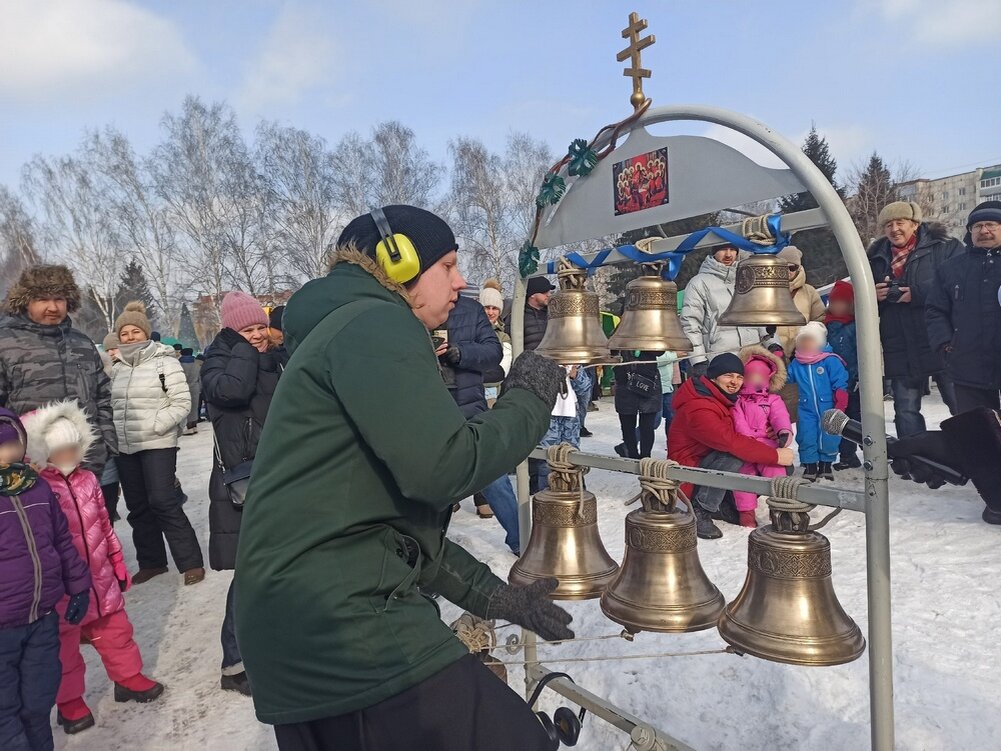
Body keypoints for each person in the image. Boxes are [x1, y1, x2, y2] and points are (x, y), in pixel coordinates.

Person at [234, 205, 573, 751]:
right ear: (398, 263)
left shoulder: (343, 330)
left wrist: (496, 599)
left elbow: (392, 530)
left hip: (303, 624)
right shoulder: (375, 323)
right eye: (448, 264)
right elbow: (446, 466)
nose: (460, 282)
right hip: (342, 627)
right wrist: (530, 399)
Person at [21, 402, 163, 735]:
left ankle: (127, 678)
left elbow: (103, 523)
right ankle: (69, 702)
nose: (69, 454)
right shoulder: (39, 488)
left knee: (116, 630)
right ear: (44, 453)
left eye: (73, 447)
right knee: (63, 646)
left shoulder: (88, 481)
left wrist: (116, 562)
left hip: (99, 577)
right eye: (60, 450)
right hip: (62, 586)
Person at [202, 291, 288, 697]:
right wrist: (244, 350)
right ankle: (235, 662)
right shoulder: (219, 361)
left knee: (283, 569)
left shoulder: (274, 356)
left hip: (280, 476)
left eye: (259, 327)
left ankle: (278, 648)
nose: (256, 336)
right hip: (244, 484)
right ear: (230, 331)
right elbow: (232, 392)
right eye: (246, 330)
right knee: (251, 574)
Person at [0, 408, 91, 751]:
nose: (7, 454)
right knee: (4, 711)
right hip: (2, 626)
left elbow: (61, 540)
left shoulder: (34, 485)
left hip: (41, 616)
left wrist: (78, 584)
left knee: (38, 702)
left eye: (12, 445)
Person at [110, 302, 204, 586]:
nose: (129, 337)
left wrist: (156, 425)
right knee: (137, 506)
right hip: (125, 447)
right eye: (124, 333)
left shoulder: (165, 362)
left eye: (135, 331)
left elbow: (182, 402)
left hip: (157, 444)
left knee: (163, 501)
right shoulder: (116, 369)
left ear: (146, 333)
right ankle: (152, 562)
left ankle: (190, 562)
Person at [0, 265, 117, 475]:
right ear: (26, 302)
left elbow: (103, 398)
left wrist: (106, 445)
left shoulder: (82, 343)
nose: (53, 307)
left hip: (89, 463)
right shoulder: (5, 343)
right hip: (30, 469)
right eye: (43, 299)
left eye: (60, 299)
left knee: (99, 509)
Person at [669, 353, 795, 539]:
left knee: (779, 467)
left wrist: (767, 430)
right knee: (736, 455)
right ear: (713, 376)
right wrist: (775, 455)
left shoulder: (722, 396)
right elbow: (730, 442)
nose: (735, 381)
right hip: (689, 475)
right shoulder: (699, 407)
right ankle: (701, 508)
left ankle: (724, 503)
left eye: (739, 376)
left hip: (707, 464)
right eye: (728, 375)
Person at [868, 201, 962, 436]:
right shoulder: (875, 257)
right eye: (888, 224)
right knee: (906, 410)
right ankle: (916, 463)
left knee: (961, 404)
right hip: (899, 344)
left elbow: (960, 283)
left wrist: (917, 293)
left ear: (915, 224)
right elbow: (857, 299)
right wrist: (874, 296)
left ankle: (976, 456)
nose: (894, 229)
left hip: (941, 339)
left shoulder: (944, 247)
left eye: (900, 222)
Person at [926, 201, 1001, 414]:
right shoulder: (951, 268)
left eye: (991, 224)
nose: (983, 230)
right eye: (977, 226)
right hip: (968, 364)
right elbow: (935, 309)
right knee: (977, 432)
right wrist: (945, 344)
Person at [680, 244, 768, 374]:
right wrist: (698, 360)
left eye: (733, 249)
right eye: (723, 249)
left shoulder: (747, 279)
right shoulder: (698, 283)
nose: (728, 254)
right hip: (719, 360)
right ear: (714, 252)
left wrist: (772, 342)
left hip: (753, 358)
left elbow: (761, 315)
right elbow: (690, 324)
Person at [731, 346, 793, 527]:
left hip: (768, 445)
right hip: (746, 445)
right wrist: (747, 440)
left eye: (760, 376)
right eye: (751, 376)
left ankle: (779, 510)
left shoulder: (772, 400)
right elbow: (738, 420)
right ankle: (746, 513)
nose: (755, 379)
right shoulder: (739, 401)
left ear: (768, 378)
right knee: (744, 477)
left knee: (776, 473)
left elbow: (780, 416)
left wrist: (783, 432)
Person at [786, 322, 849, 482]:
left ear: (820, 343)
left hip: (828, 406)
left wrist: (841, 395)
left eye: (810, 340)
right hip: (804, 408)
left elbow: (840, 379)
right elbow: (787, 380)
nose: (806, 344)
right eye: (803, 341)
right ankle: (810, 465)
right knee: (807, 435)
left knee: (829, 435)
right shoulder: (796, 363)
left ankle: (826, 464)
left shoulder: (830, 360)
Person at [826, 281, 861, 469]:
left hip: (853, 382)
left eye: (842, 302)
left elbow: (862, 354)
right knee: (839, 419)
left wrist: (857, 377)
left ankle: (862, 452)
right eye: (833, 302)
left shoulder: (856, 326)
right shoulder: (825, 326)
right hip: (832, 383)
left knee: (855, 419)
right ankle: (846, 456)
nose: (837, 306)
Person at [535, 365, 583, 492]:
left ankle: (575, 493)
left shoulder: (574, 362)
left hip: (570, 417)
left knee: (572, 457)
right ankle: (546, 496)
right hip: (548, 414)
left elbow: (585, 388)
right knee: (547, 459)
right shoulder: (541, 362)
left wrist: (576, 376)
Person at [773, 246, 826, 357]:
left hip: (803, 354)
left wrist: (808, 340)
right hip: (775, 353)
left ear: (798, 268)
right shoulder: (766, 292)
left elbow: (820, 320)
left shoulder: (809, 291)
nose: (787, 271)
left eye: (792, 267)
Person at [614, 350, 662, 459]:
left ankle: (646, 458)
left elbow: (660, 351)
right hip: (625, 380)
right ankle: (632, 455)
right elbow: (611, 352)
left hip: (648, 381)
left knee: (648, 425)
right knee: (627, 424)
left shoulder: (651, 334)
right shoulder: (619, 333)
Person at [478, 279, 511, 404]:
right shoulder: (471, 331)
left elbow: (504, 366)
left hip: (495, 390)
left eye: (494, 308)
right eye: (486, 307)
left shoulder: (504, 337)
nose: (490, 312)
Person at [506, 275, 554, 351]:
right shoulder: (517, 316)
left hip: (553, 360)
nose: (548, 295)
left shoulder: (553, 314)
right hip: (529, 361)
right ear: (532, 295)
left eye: (549, 291)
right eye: (544, 292)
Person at [656, 350, 681, 445]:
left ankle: (672, 445)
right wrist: (674, 355)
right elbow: (654, 360)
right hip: (655, 387)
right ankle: (629, 442)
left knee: (673, 418)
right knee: (654, 421)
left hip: (667, 387)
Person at [179, 348, 201, 435]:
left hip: (185, 387)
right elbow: (200, 377)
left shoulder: (180, 363)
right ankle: (194, 426)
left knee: (187, 407)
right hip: (195, 387)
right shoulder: (196, 363)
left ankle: (189, 427)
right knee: (194, 407)